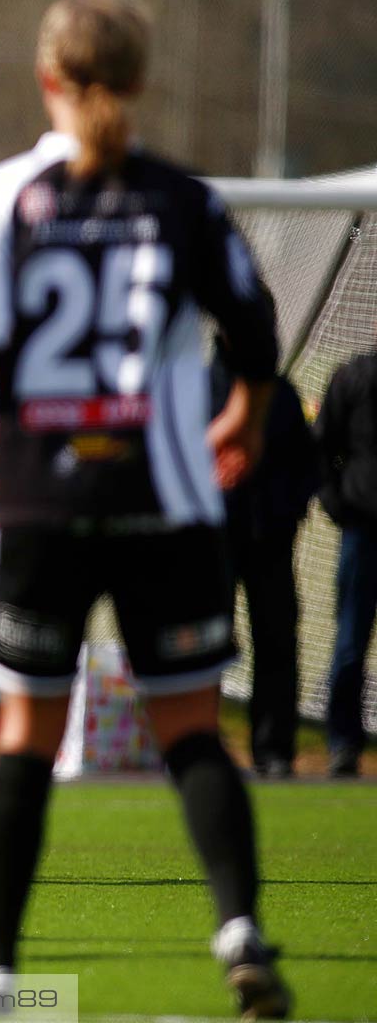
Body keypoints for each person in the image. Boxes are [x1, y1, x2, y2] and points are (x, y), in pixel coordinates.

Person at [0, 0, 287, 1016]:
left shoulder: (0, 197)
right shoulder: (183, 198)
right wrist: (250, 416)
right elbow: (252, 327)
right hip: (165, 500)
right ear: (140, 80)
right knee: (188, 731)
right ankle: (240, 933)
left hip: (42, 500)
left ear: (47, 77)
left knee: (28, 734)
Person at [210, 299, 316, 779]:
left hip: (271, 540)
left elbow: (308, 465)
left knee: (275, 641)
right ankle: (198, 748)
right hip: (211, 541)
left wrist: (286, 513)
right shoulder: (199, 388)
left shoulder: (283, 394)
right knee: (205, 645)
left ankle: (273, 751)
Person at [318, 335, 377, 778]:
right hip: (363, 528)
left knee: (350, 637)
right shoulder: (354, 377)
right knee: (350, 639)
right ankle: (342, 744)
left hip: (360, 525)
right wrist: (337, 505)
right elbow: (322, 449)